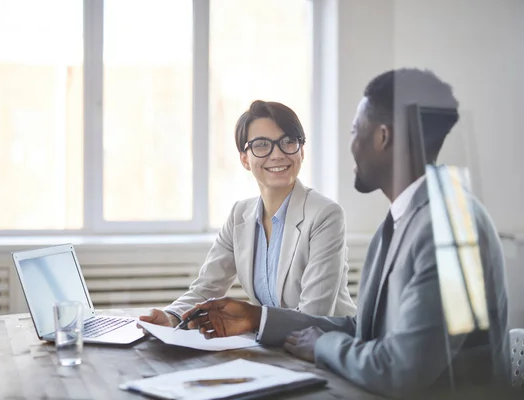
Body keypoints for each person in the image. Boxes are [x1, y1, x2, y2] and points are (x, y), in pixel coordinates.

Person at [182, 69, 509, 398]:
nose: (350, 146)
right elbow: (364, 331)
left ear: (382, 137)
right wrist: (258, 318)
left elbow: (401, 369)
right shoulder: (400, 221)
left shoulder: (450, 227)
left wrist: (323, 344)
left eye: (355, 130)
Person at [139, 100, 356, 328]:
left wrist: (252, 321)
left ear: (301, 151)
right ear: (245, 158)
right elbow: (206, 288)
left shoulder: (325, 215)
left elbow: (314, 315)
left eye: (288, 142)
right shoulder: (239, 215)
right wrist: (172, 316)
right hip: (274, 347)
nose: (277, 154)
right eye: (262, 145)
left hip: (327, 348)